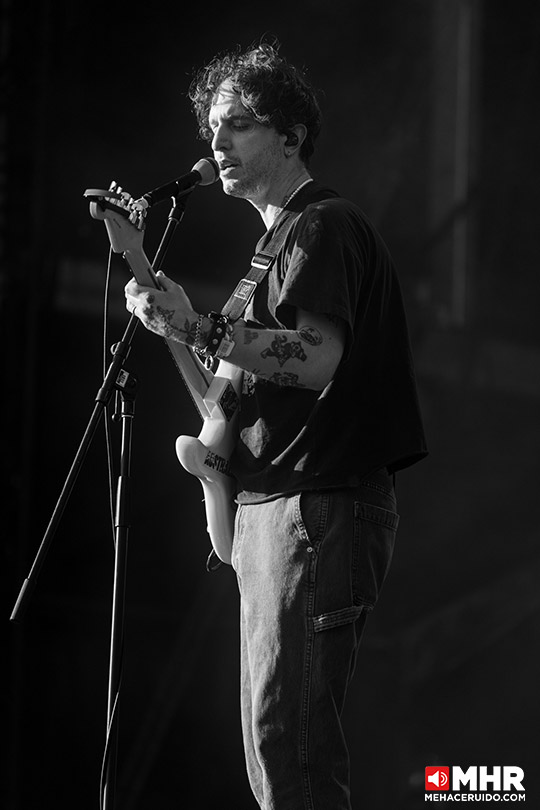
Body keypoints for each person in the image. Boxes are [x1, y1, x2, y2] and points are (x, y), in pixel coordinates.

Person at [125, 41, 427, 810]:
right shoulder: (266, 255)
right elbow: (221, 414)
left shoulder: (321, 227)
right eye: (212, 128)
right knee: (273, 745)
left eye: (237, 125)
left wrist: (201, 327)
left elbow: (319, 359)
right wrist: (175, 329)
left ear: (288, 135)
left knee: (288, 742)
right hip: (272, 509)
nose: (216, 144)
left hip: (315, 507)